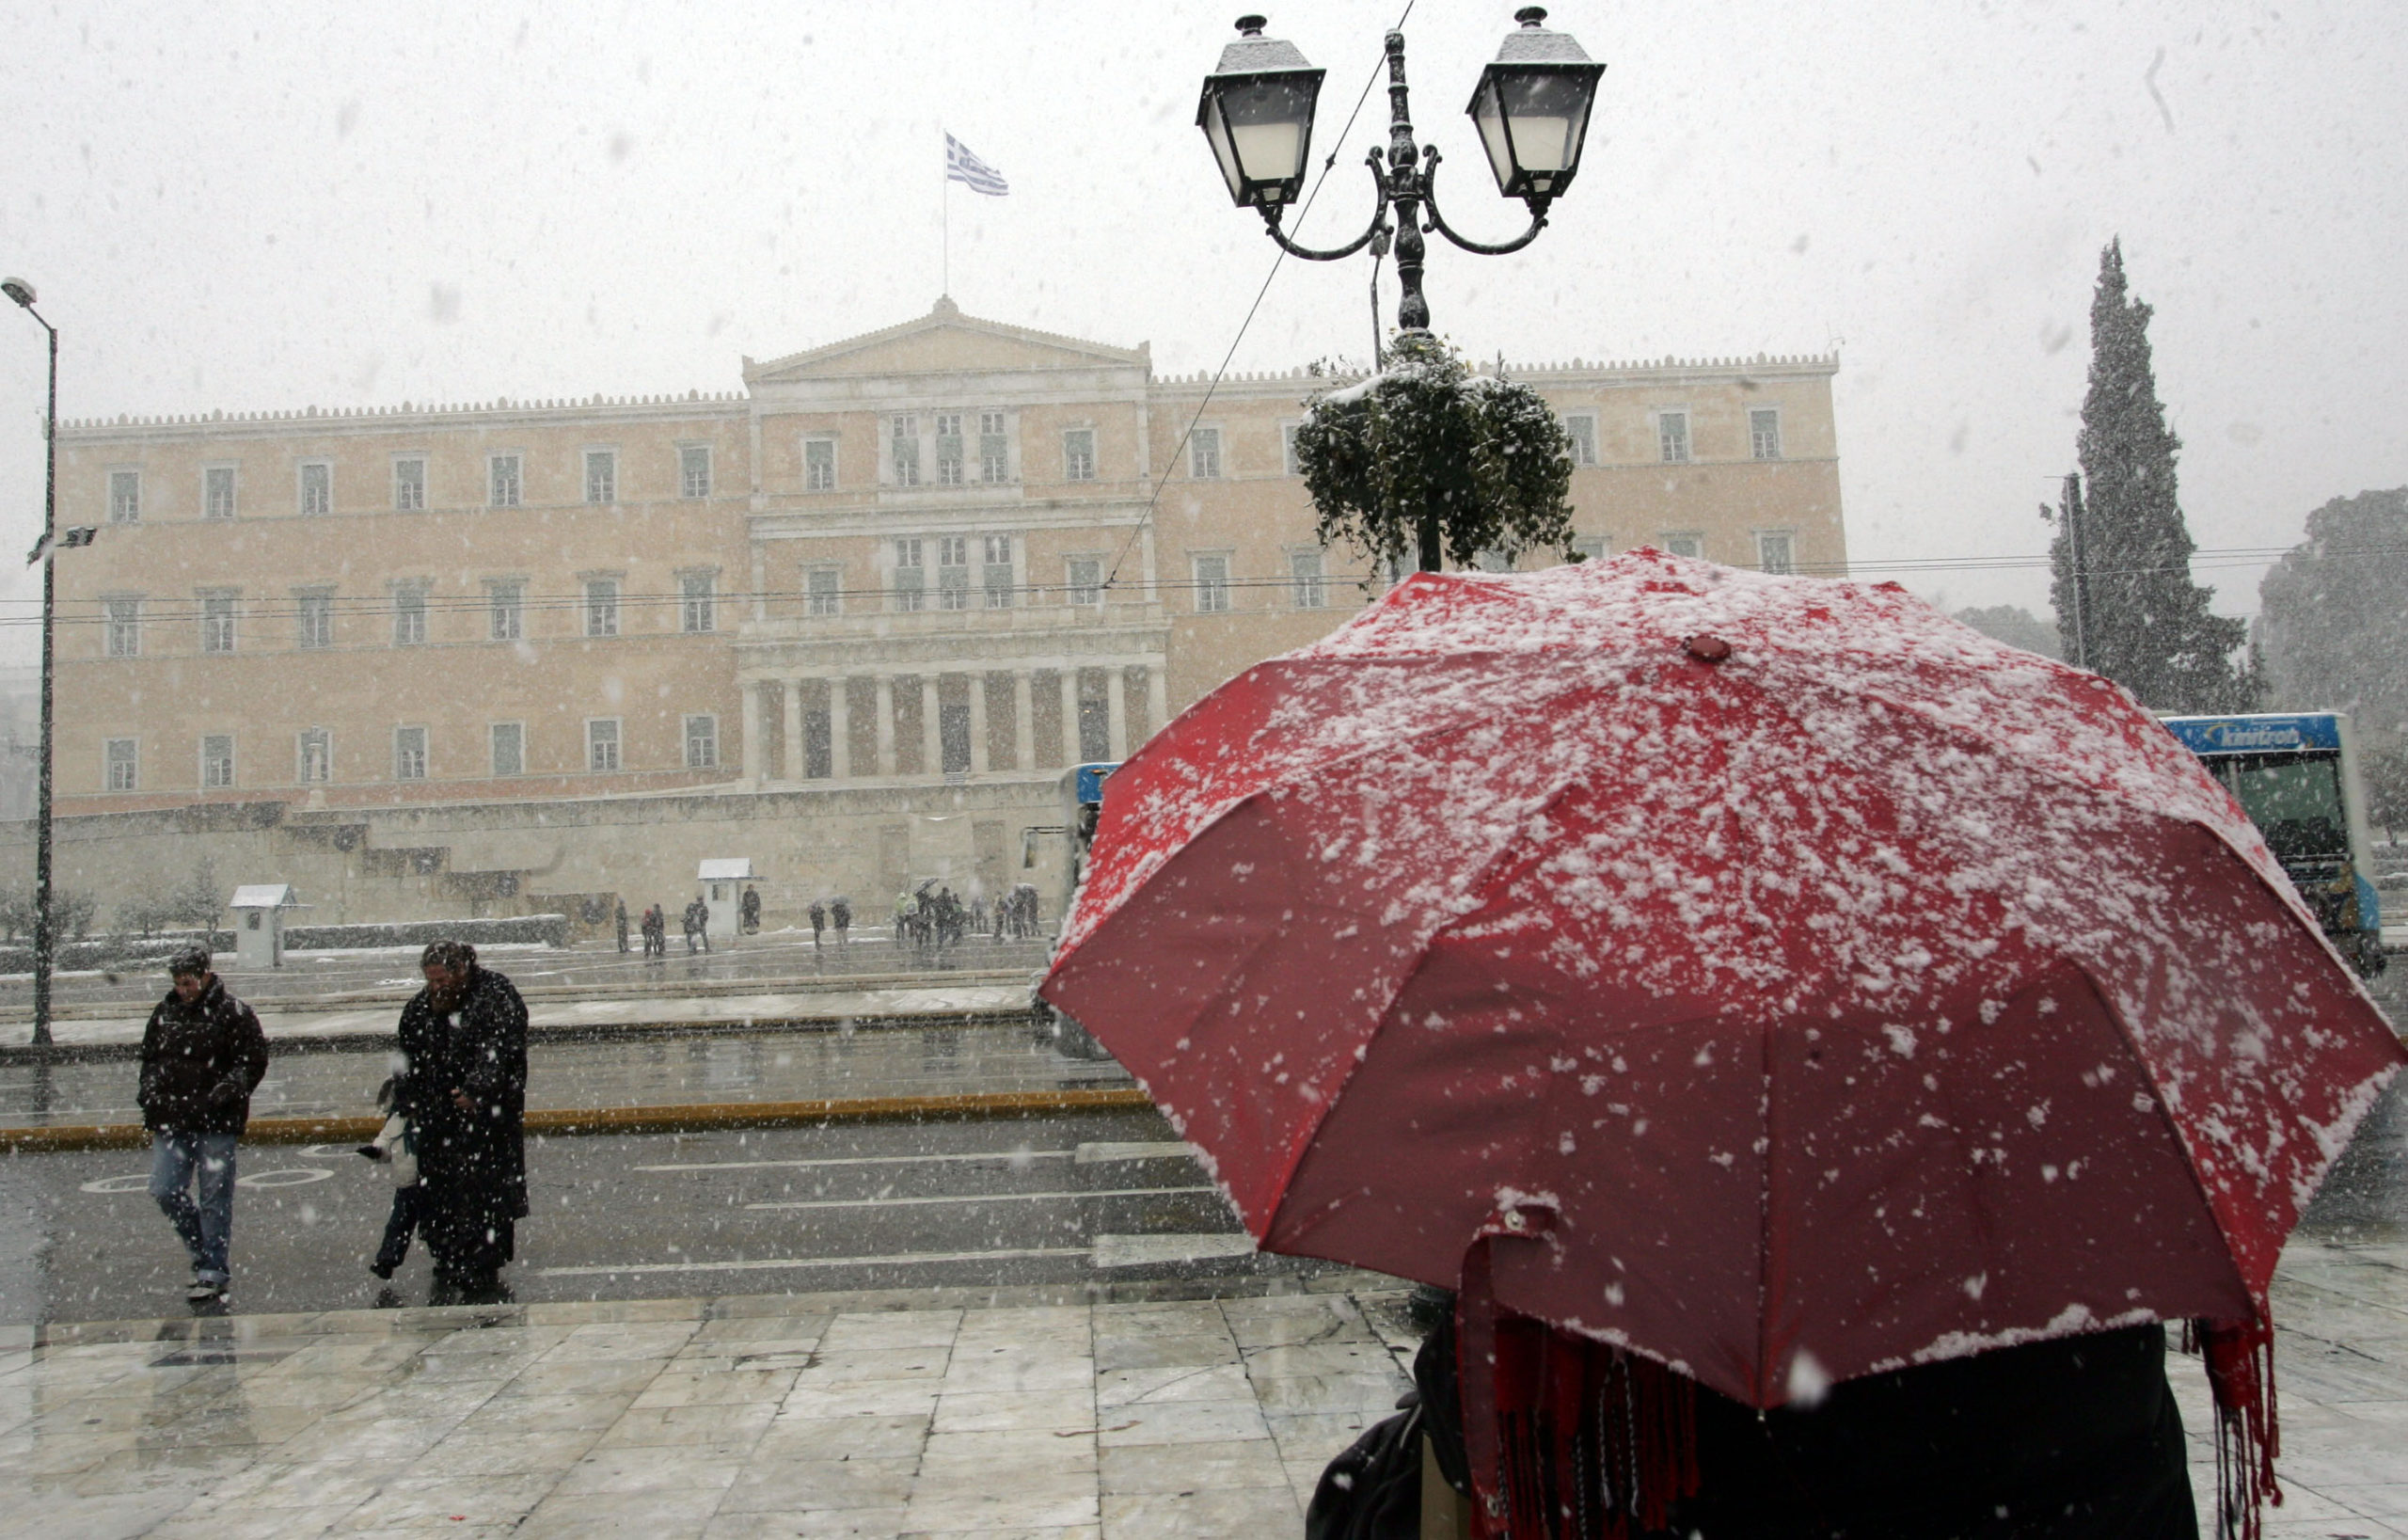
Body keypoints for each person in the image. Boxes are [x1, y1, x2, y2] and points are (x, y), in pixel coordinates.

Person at [396, 940, 529, 1304]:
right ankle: (447, 1255)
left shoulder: (496, 995)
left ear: (462, 971)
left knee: (485, 1194)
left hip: (487, 1122)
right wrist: (404, 1094)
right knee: (439, 1194)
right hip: (437, 1122)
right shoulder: (421, 1007)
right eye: (430, 980)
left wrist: (478, 1089)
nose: (436, 988)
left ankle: (482, 1263)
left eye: (442, 980)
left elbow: (503, 1050)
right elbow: (406, 1053)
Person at [138, 947, 268, 1304]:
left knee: (215, 1197)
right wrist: (150, 1093)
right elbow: (150, 1059)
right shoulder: (165, 1014)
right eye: (179, 983)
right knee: (165, 1189)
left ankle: (212, 1268)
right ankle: (203, 1252)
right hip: (171, 1119)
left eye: (190, 982)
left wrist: (230, 1089)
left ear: (206, 975)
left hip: (215, 1120)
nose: (185, 989)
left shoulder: (234, 1013)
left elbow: (253, 1059)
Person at [357, 1072, 424, 1283]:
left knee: (433, 1226)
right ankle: (386, 1260)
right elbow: (385, 1141)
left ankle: (447, 1259)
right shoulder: (397, 1121)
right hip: (406, 1182)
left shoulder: (433, 1121)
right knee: (398, 1225)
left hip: (429, 1182)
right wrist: (377, 1151)